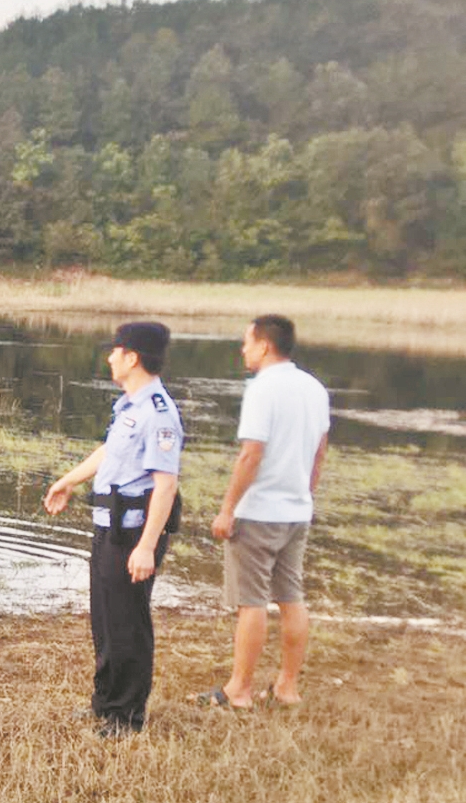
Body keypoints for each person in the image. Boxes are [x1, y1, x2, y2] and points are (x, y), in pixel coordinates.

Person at [44, 322, 184, 737]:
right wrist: (69, 480)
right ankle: (105, 704)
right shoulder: (130, 407)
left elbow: (166, 484)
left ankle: (126, 717)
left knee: (128, 625)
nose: (109, 358)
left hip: (134, 534)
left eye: (115, 351)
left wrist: (146, 546)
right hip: (109, 529)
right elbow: (109, 451)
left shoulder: (159, 413)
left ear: (133, 357)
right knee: (105, 621)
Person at [200, 314, 330, 708]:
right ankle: (287, 687)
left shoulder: (262, 389)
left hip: (259, 512)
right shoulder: (314, 387)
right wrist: (306, 493)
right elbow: (320, 450)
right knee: (292, 596)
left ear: (264, 345)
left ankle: (239, 689)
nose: (243, 349)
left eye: (246, 342)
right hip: (296, 511)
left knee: (251, 601)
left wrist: (228, 509)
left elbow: (251, 453)